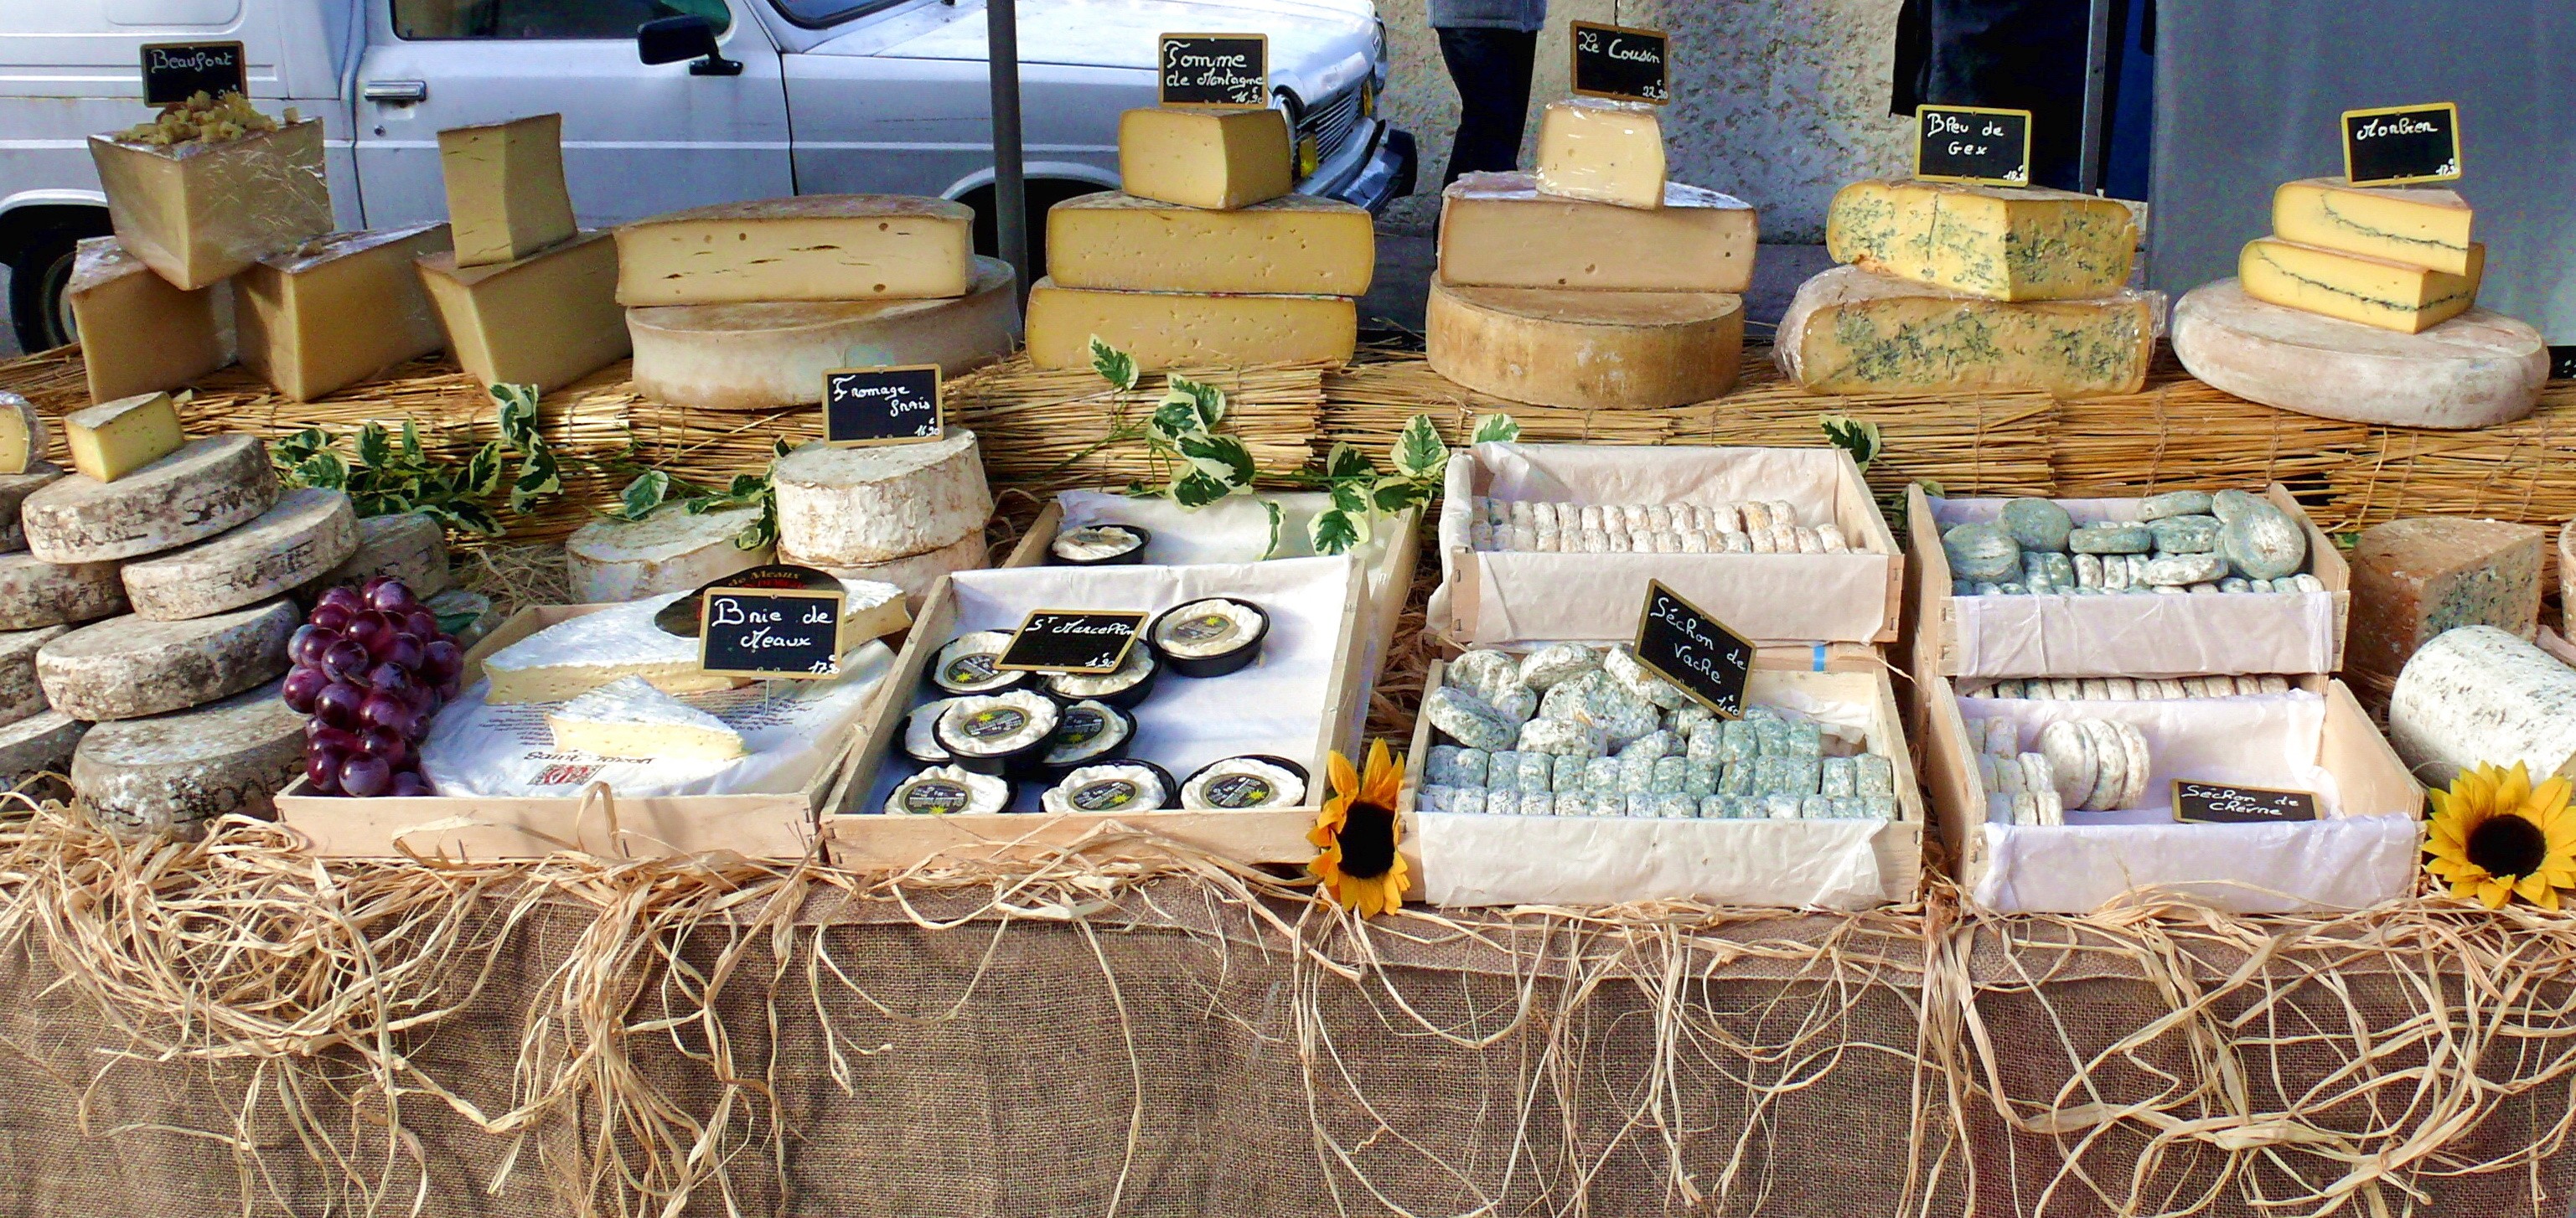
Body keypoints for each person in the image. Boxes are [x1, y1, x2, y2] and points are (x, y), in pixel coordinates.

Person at [1430, 0, 1546, 185]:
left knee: (1502, 132)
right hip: (1469, 17)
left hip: (1520, 18)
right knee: (1490, 128)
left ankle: (1459, 210)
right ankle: (1474, 211)